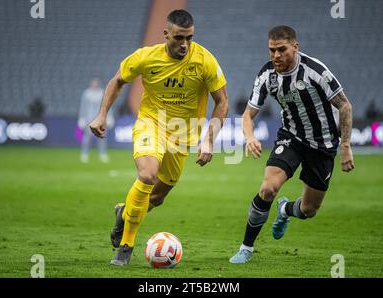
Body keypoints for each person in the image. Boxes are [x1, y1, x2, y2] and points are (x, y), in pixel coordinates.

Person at [89, 10, 228, 266]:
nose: (185, 44)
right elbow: (118, 81)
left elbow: (222, 102)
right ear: (166, 34)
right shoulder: (146, 57)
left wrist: (209, 139)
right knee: (147, 175)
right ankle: (126, 245)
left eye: (189, 38)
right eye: (178, 38)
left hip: (182, 135)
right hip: (151, 124)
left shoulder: (205, 60)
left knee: (156, 197)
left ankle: (125, 212)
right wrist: (101, 114)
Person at [229, 25, 354, 264]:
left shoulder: (315, 71)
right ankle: (246, 247)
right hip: (291, 137)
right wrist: (250, 137)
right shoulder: (267, 75)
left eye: (282, 50)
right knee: (267, 189)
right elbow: (247, 115)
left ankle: (285, 210)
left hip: (323, 144)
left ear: (295, 47)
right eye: (272, 50)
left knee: (309, 210)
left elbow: (345, 106)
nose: (276, 55)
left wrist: (345, 146)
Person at [78, 78, 113, 163]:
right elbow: (83, 106)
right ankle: (84, 154)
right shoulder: (86, 93)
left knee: (102, 137)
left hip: (100, 118)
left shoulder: (102, 93)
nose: (95, 84)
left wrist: (109, 116)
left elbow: (107, 105)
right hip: (89, 119)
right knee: (87, 137)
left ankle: (102, 154)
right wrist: (81, 118)